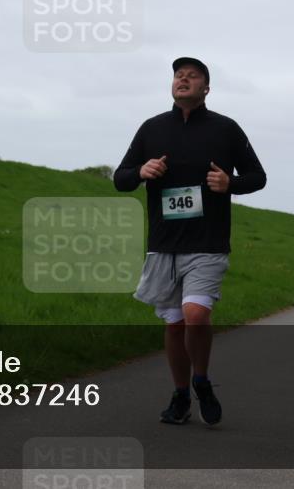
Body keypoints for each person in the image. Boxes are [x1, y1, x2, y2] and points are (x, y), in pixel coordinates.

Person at [113, 56, 267, 427]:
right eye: (178, 74)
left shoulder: (226, 129)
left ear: (206, 88)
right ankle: (181, 393)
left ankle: (201, 379)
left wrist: (230, 183)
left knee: (196, 315)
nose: (183, 78)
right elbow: (121, 177)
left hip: (208, 243)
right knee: (175, 324)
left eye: (192, 75)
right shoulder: (152, 128)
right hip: (164, 243)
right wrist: (141, 171)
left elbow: (257, 176)